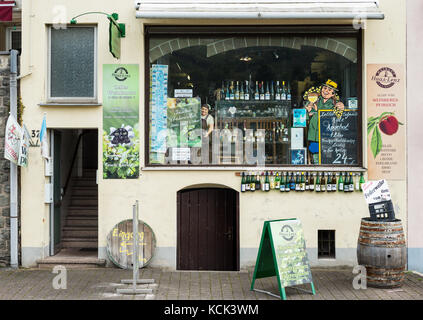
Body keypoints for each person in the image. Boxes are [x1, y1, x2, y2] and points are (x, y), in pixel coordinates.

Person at [304, 79, 345, 164]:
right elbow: (304, 117)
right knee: (315, 154)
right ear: (321, 89)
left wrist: (342, 109)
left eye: (329, 90)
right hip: (314, 135)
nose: (326, 91)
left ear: (333, 93)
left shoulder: (336, 104)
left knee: (327, 156)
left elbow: (341, 119)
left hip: (328, 135)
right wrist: (308, 111)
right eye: (325, 88)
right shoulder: (314, 100)